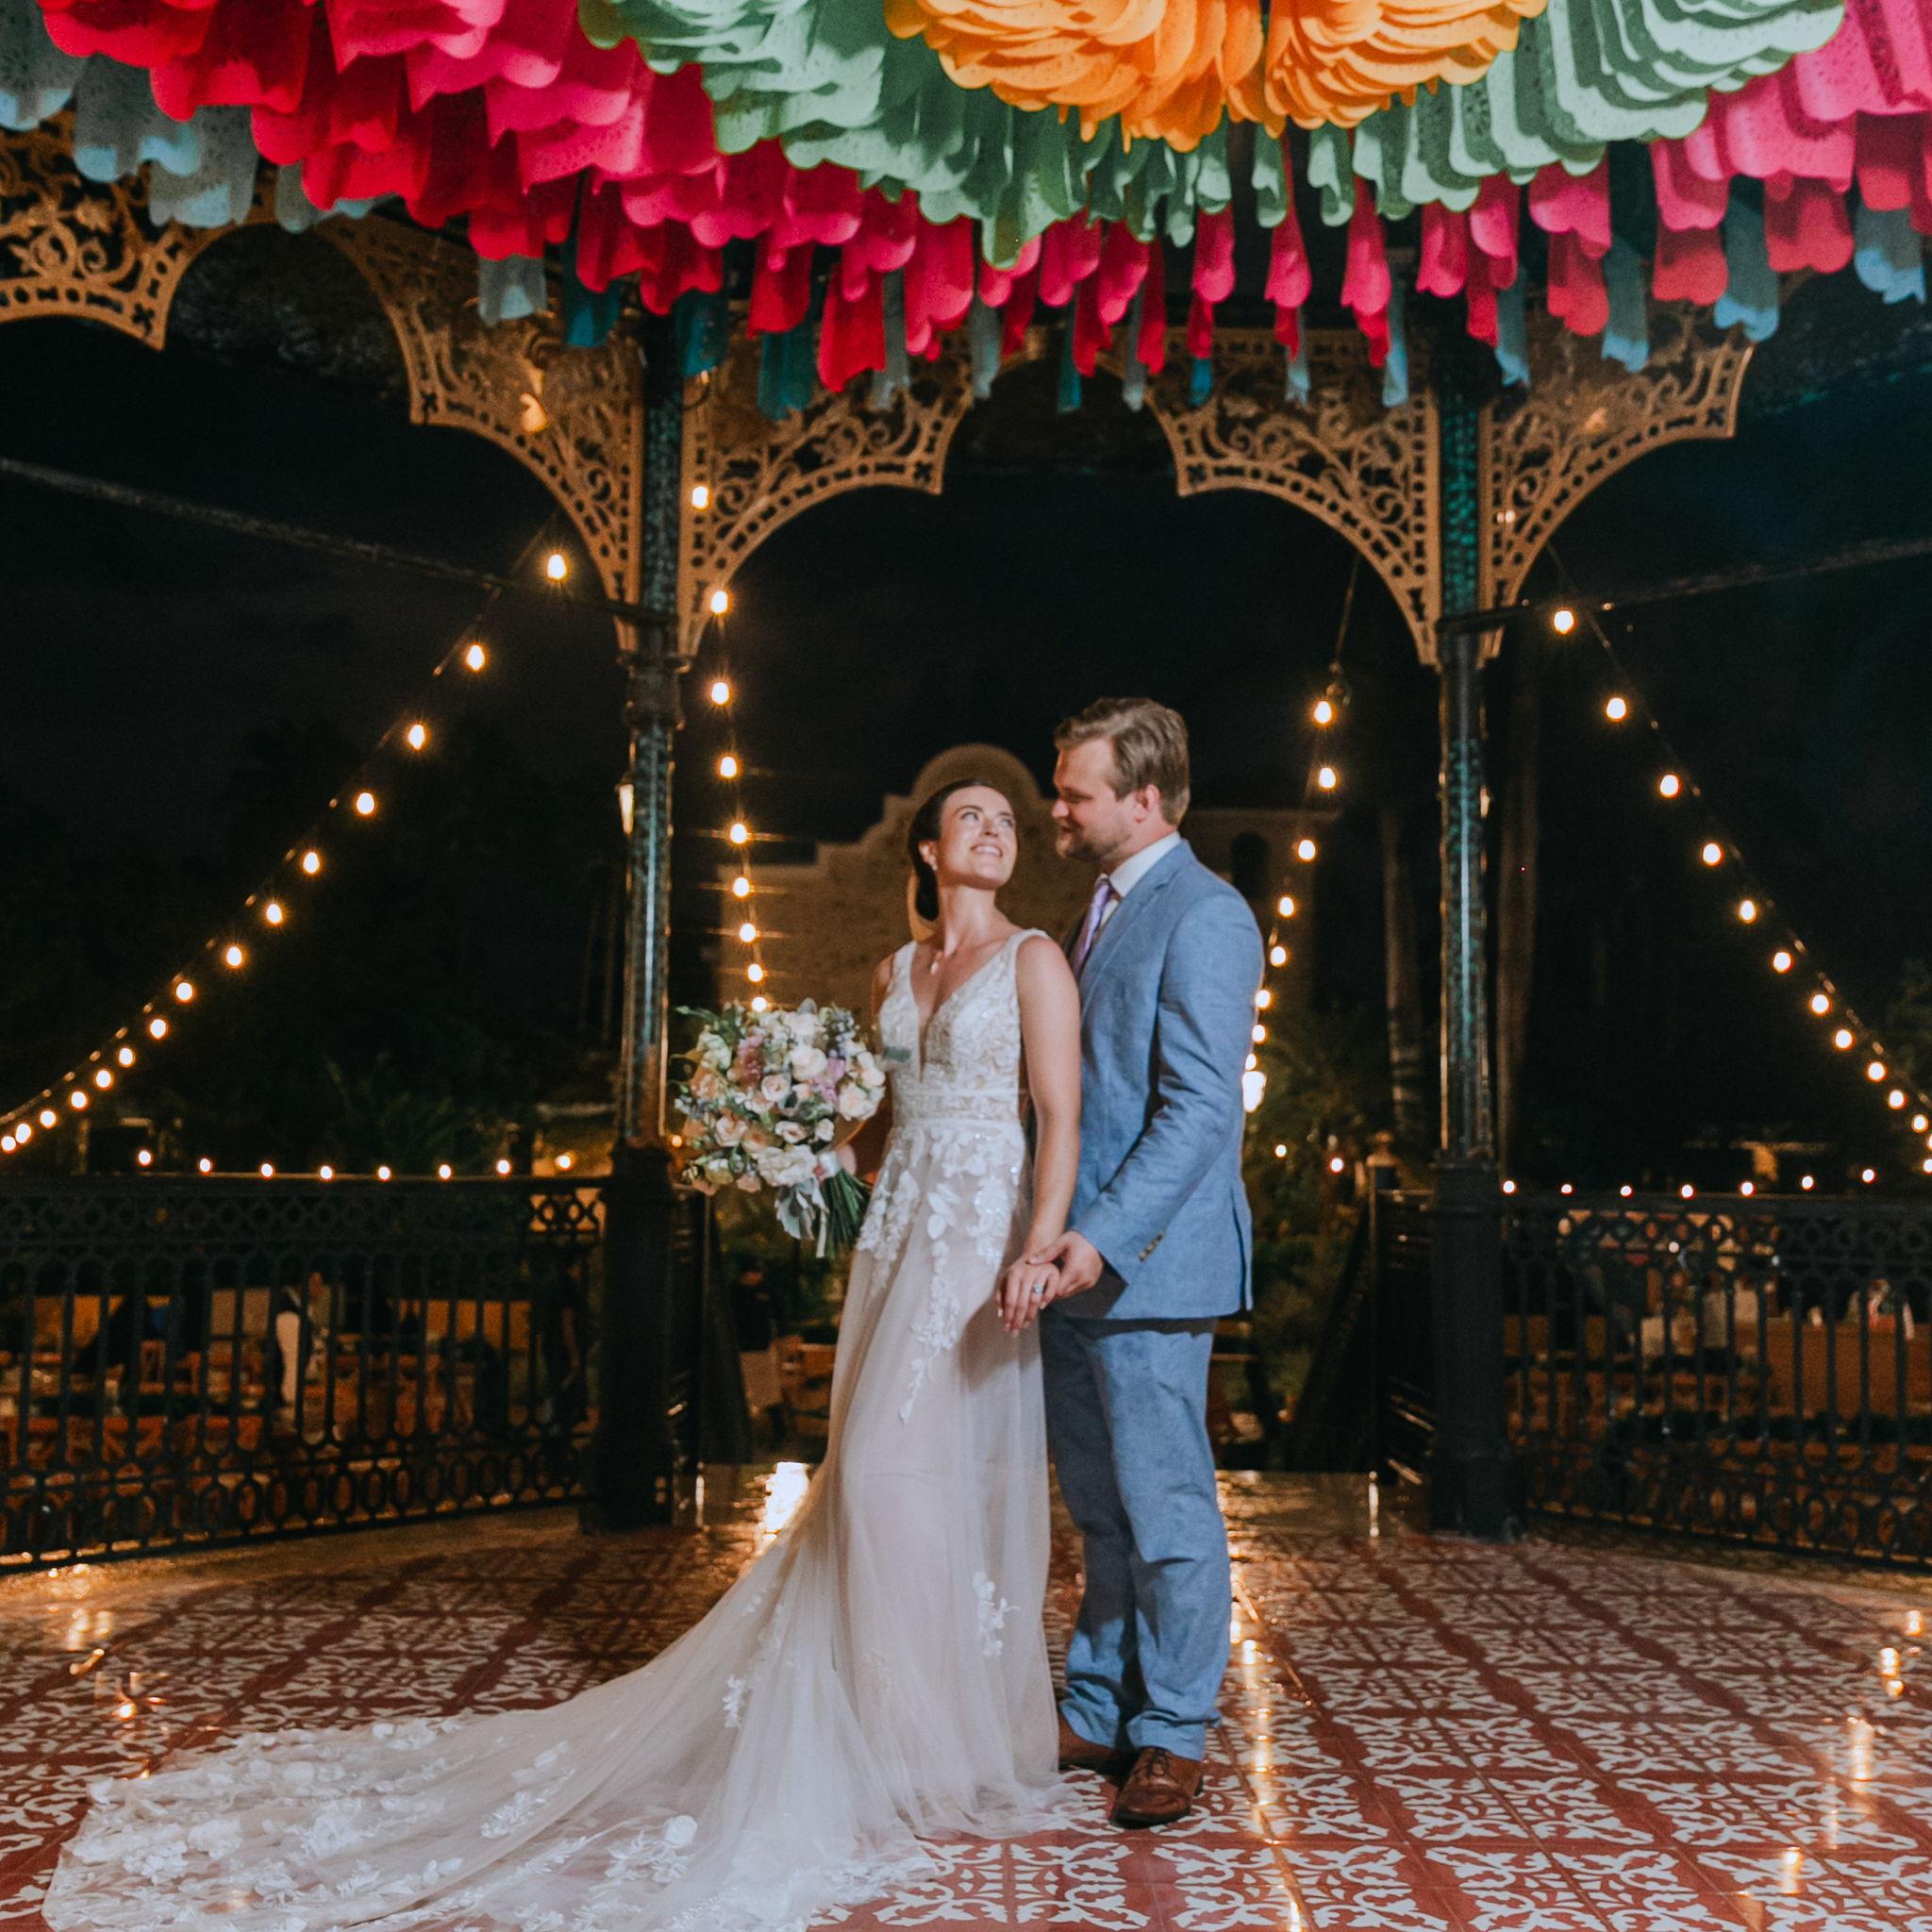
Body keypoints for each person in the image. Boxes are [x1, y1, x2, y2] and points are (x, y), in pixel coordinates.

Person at [43, 777, 1086, 1932]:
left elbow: (1059, 1114)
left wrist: (1036, 1248)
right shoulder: (893, 972)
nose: (994, 828)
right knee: (877, 1477)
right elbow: (884, 1124)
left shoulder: (1036, 960)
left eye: (1006, 816)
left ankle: (932, 1734)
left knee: (912, 1480)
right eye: (971, 816)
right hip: (895, 1241)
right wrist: (796, 1146)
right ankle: (890, 1729)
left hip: (980, 1237)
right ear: (929, 848)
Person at [1024, 696, 1263, 1829]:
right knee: (1102, 1510)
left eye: (1074, 791)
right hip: (1074, 1267)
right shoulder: (1101, 908)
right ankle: (1099, 1704)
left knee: (1167, 1512)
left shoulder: (1206, 915)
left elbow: (1197, 1112)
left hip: (1148, 1268)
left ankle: (1171, 1734)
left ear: (1144, 798)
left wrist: (1101, 1237)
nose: (1056, 807)